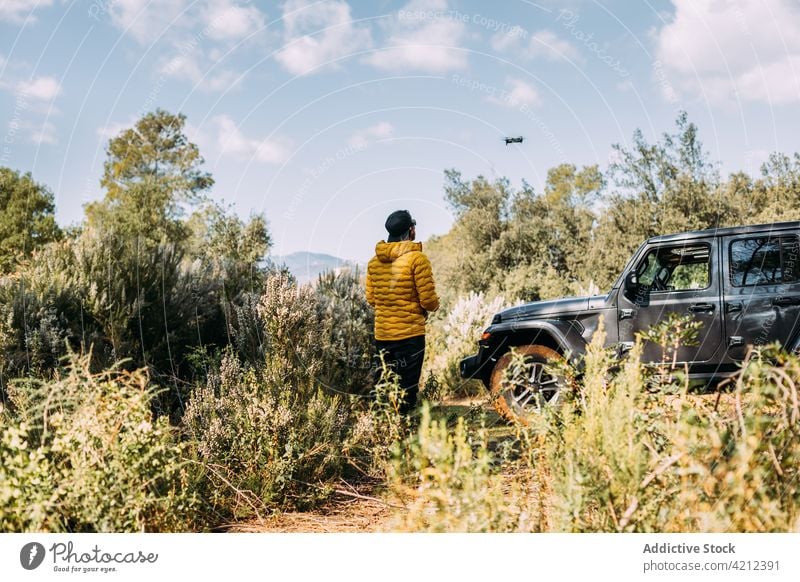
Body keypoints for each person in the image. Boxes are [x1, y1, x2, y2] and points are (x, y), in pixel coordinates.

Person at [366, 210, 439, 413]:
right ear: (411, 231)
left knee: (382, 385)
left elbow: (371, 299)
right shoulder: (417, 259)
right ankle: (404, 433)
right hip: (410, 336)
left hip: (383, 335)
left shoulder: (373, 263)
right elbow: (430, 301)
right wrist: (423, 308)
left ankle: (380, 430)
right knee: (407, 389)